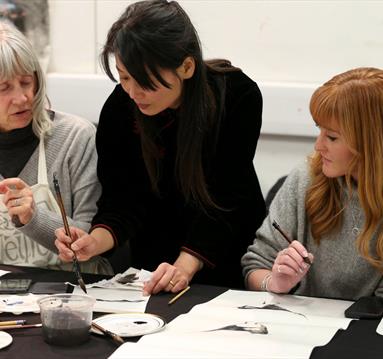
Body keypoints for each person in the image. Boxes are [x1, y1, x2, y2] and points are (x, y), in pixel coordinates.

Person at [55, 0, 265, 293]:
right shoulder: (120, 108)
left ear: (186, 67)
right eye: (124, 76)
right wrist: (94, 241)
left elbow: (227, 198)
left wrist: (185, 265)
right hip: (153, 269)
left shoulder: (236, 97)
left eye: (145, 81)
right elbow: (122, 201)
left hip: (226, 258)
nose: (132, 92)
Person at [242, 67, 383, 301]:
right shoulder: (307, 178)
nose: (318, 146)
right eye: (320, 131)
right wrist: (275, 282)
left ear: (370, 143)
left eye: (332, 137)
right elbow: (255, 265)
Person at [0, 21, 112, 274]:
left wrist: (33, 217)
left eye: (27, 82)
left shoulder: (74, 138)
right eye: (4, 88)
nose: (22, 98)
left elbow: (89, 242)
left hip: (73, 290)